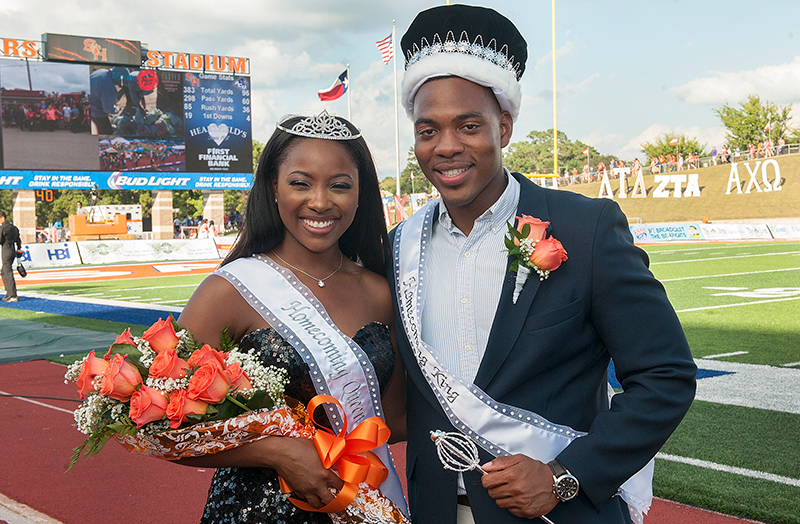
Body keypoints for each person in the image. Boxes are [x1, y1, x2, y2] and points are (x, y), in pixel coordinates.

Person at [389, 5, 697, 524]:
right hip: (434, 511)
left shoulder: (587, 228)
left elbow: (665, 375)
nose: (446, 147)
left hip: (562, 513)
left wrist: (566, 475)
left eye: (469, 126)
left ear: (504, 127)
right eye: (427, 131)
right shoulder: (399, 246)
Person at [175, 111, 408, 523]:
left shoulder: (379, 292)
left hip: (358, 502)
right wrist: (277, 451)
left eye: (339, 186)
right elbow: (164, 423)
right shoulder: (230, 291)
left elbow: (394, 419)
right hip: (254, 512)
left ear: (360, 194)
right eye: (300, 183)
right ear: (274, 187)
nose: (320, 201)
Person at [0, 211, 22, 302]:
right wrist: (19, 249)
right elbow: (19, 240)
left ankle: (12, 294)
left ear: (2, 218)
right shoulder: (14, 228)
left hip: (6, 249)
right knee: (4, 270)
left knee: (7, 271)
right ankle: (9, 293)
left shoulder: (3, 228)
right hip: (13, 249)